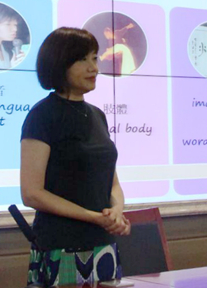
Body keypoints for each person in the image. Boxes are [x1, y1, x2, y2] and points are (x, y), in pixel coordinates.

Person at [20, 27, 130, 287]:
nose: (94, 68)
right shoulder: (42, 115)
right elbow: (32, 193)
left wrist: (116, 211)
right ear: (59, 64)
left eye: (95, 58)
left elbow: (111, 181)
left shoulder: (97, 115)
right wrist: (93, 217)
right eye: (82, 59)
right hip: (61, 247)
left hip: (103, 246)